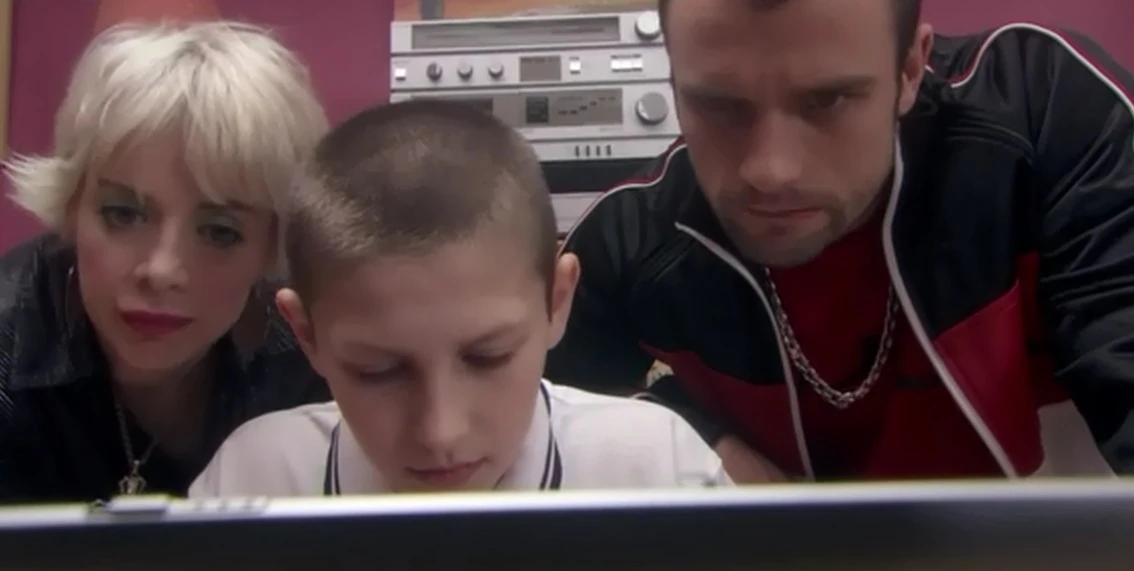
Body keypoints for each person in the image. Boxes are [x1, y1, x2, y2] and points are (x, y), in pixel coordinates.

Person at [545, 0, 1134, 482]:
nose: (770, 171)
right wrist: (688, 433)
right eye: (720, 106)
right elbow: (543, 414)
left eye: (827, 100)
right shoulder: (633, 239)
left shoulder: (1047, 114)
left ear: (910, 70)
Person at [188, 100, 730, 497]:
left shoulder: (659, 471)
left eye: (488, 357)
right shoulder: (252, 483)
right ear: (306, 335)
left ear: (557, 302)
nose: (440, 431)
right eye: (379, 370)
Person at [0, 20, 332, 502]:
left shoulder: (313, 356)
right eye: (124, 214)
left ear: (271, 246)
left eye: (220, 232)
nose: (161, 270)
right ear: (72, 208)